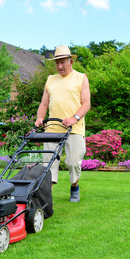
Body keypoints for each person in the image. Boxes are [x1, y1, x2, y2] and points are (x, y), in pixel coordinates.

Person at [34, 45, 91, 202]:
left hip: (74, 128)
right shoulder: (50, 80)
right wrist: (40, 118)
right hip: (52, 128)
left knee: (73, 163)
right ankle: (47, 198)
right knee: (49, 164)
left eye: (63, 62)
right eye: (57, 63)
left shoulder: (81, 78)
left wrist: (74, 118)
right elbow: (44, 104)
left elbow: (86, 104)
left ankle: (74, 186)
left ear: (71, 61)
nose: (59, 66)